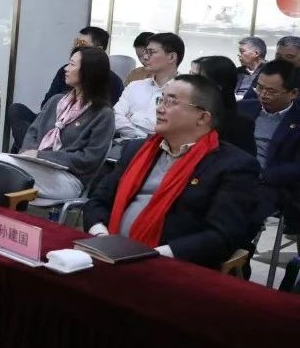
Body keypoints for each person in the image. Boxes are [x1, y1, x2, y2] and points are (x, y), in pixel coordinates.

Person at [83, 74, 265, 268]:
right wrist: (101, 236)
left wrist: (153, 255)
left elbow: (222, 236)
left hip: (168, 265)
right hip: (109, 253)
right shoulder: (137, 149)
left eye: (171, 102)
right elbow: (97, 201)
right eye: (161, 100)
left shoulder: (233, 166)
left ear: (202, 117)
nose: (160, 108)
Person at [0, 47, 115, 201]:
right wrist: (30, 153)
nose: (66, 69)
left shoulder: (103, 114)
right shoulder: (56, 101)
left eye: (72, 64)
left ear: (88, 71)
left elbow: (89, 159)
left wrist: (42, 156)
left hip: (68, 179)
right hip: (36, 166)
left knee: (1, 164)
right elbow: (33, 132)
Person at [253, 60, 300, 235]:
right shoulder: (244, 109)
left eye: (271, 91)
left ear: (293, 93)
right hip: (235, 178)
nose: (263, 95)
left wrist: (262, 175)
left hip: (273, 185)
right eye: (259, 88)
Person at [115, 32, 184, 139]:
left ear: (171, 57)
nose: (145, 57)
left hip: (160, 147)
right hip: (123, 145)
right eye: (145, 52)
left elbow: (172, 129)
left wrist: (132, 117)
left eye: (151, 52)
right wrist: (144, 135)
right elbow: (115, 116)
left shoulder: (184, 92)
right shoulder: (135, 86)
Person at [189, 56, 255, 154]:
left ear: (217, 86)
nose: (188, 81)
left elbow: (242, 160)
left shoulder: (239, 125)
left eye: (196, 77)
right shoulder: (183, 109)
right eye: (190, 75)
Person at [44, 26, 123, 105]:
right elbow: (46, 105)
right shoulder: (65, 71)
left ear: (99, 50)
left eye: (82, 43)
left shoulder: (114, 82)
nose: (77, 47)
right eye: (77, 42)